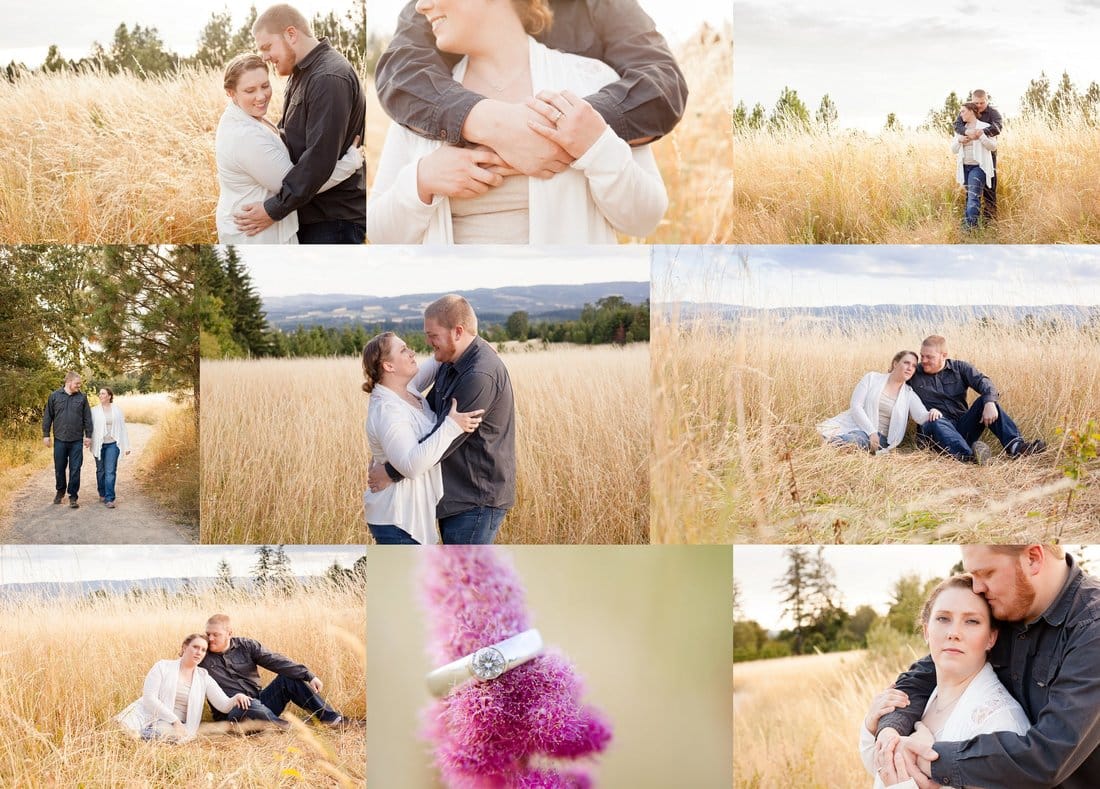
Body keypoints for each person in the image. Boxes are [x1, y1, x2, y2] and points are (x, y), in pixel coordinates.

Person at [366, 0, 670, 243]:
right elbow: (379, 232)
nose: (419, 6)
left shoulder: (591, 80)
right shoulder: (421, 99)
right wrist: (423, 179)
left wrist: (597, 147)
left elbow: (644, 218)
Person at [873, 545, 1100, 788]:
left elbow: (1049, 756)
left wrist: (930, 760)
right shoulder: (1006, 605)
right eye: (973, 575)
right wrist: (890, 732)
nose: (977, 587)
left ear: (1033, 558)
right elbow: (923, 677)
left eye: (987, 573)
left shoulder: (1092, 629)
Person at [376, 0, 686, 172]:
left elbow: (661, 83)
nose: (422, 6)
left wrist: (562, 132)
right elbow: (400, 73)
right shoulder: (442, 8)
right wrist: (491, 123)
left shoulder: (602, 6)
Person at [367, 295, 515, 544]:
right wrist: (472, 344)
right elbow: (435, 364)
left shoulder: (478, 375)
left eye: (432, 335)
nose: (423, 344)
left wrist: (390, 471)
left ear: (457, 332)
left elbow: (444, 441)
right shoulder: (402, 394)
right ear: (388, 367)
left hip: (474, 499)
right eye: (404, 350)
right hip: (410, 512)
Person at [859, 574, 1029, 788]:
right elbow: (881, 772)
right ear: (926, 630)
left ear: (991, 638)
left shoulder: (1000, 724)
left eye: (972, 621)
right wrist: (871, 727)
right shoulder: (921, 698)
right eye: (943, 618)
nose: (954, 633)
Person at [231, 4, 367, 244]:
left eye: (266, 47)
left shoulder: (328, 78)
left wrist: (273, 209)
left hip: (333, 221)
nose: (263, 57)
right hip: (311, 215)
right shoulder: (302, 74)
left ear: (291, 34)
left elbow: (318, 161)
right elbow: (291, 138)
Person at [361, 331, 485, 545]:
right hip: (397, 520)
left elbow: (437, 361)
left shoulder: (406, 389)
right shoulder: (388, 409)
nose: (412, 352)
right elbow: (411, 465)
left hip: (409, 516)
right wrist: (451, 427)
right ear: (388, 366)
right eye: (403, 350)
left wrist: (479, 349)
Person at [910, 335, 1045, 464]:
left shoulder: (960, 368)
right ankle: (970, 456)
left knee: (985, 401)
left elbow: (983, 381)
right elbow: (893, 382)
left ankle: (1016, 448)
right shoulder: (913, 373)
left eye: (929, 357)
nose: (924, 360)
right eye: (922, 356)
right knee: (935, 419)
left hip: (962, 427)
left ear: (944, 355)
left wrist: (989, 402)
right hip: (936, 431)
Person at [199, 614, 343, 728]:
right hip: (232, 713)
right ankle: (285, 726)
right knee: (247, 704)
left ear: (229, 633)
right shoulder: (201, 655)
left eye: (215, 634)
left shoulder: (247, 646)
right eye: (208, 634)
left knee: (287, 679)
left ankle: (331, 719)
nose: (210, 639)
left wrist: (308, 675)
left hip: (260, 704)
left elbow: (276, 661)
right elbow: (183, 670)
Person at [116, 634, 252, 742]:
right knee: (121, 727)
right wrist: (174, 720)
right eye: (195, 647)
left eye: (203, 650)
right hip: (150, 714)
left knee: (166, 734)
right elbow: (149, 698)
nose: (199, 652)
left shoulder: (203, 677)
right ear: (185, 647)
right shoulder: (162, 666)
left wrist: (236, 697)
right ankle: (137, 734)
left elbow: (222, 705)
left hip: (175, 727)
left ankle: (140, 737)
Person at [818, 351, 941, 454]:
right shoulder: (872, 378)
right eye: (906, 363)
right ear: (895, 363)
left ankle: (829, 446)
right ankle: (827, 445)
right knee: (827, 432)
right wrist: (871, 432)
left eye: (914, 366)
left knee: (854, 440)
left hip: (881, 439)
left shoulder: (909, 394)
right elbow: (856, 406)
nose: (910, 368)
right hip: (859, 426)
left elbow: (921, 417)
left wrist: (932, 412)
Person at [42, 371, 92, 509]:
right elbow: (48, 417)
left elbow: (87, 418)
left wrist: (88, 436)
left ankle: (73, 496)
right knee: (59, 468)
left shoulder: (82, 397)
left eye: (79, 384)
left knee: (75, 468)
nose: (79, 386)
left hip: (76, 440)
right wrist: (46, 435)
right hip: (60, 439)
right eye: (77, 383)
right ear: (69, 382)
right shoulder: (54, 396)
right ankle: (60, 491)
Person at [952, 90, 1002, 222]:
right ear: (971, 101)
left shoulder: (993, 113)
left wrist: (980, 133)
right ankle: (972, 220)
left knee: (989, 188)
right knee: (972, 192)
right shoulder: (966, 112)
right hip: (967, 161)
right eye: (976, 103)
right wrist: (967, 132)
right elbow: (957, 126)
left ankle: (989, 220)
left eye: (982, 102)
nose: (979, 105)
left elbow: (997, 128)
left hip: (988, 156)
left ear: (987, 100)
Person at [90, 387, 131, 509]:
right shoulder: (94, 411)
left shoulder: (117, 410)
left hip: (113, 444)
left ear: (109, 396)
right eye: (100, 394)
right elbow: (88, 427)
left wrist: (126, 445)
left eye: (103, 393)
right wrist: (87, 439)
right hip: (99, 444)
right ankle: (102, 493)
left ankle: (109, 498)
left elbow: (122, 428)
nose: (100, 395)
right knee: (100, 471)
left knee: (110, 471)